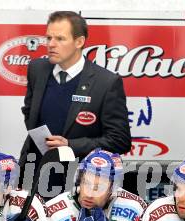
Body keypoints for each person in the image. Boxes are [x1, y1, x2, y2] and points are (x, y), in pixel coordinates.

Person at [19, 11, 131, 196]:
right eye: (49, 37)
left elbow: (120, 140)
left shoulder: (106, 83)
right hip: (34, 176)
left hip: (80, 183)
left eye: (60, 38)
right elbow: (29, 111)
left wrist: (71, 144)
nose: (51, 44)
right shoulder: (37, 69)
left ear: (79, 42)